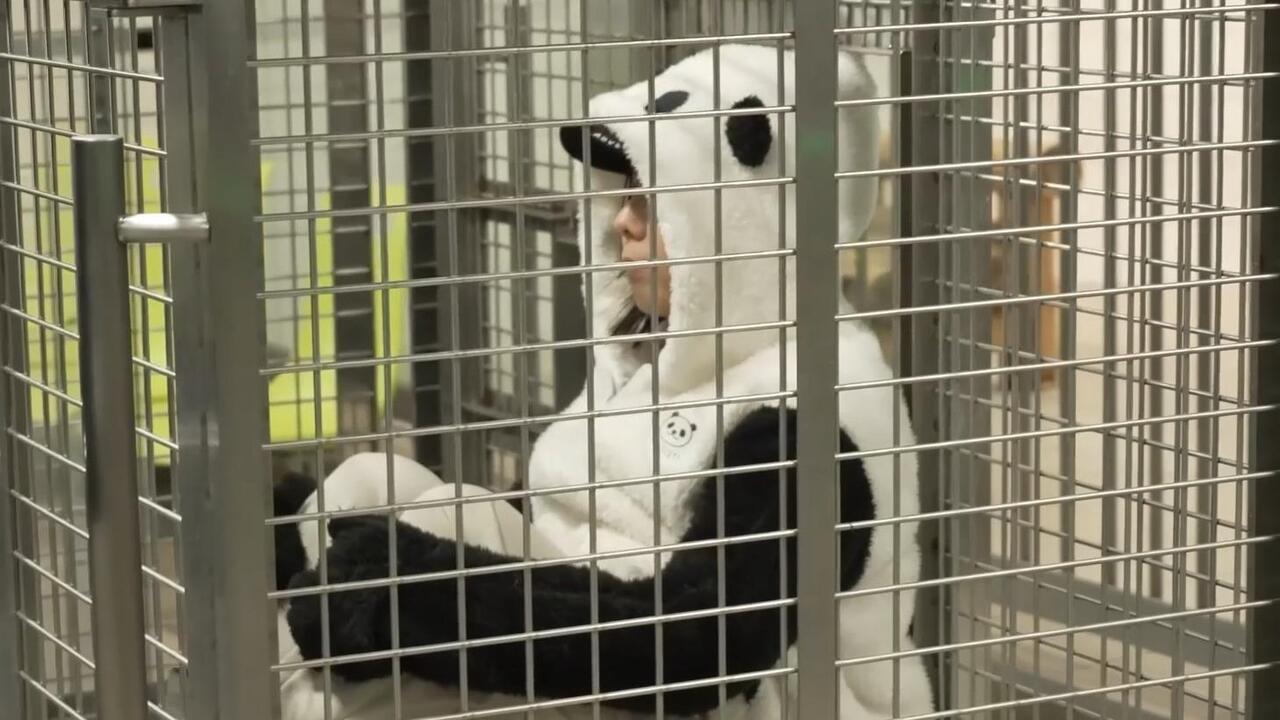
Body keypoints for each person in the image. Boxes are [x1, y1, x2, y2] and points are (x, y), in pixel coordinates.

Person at [274, 43, 933, 719]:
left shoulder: (809, 409)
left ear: (742, 221)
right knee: (370, 487)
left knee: (419, 559)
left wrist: (414, 605)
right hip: (606, 651)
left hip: (721, 694)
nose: (622, 219)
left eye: (652, 198)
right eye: (626, 193)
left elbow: (702, 648)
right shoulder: (670, 355)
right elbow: (565, 516)